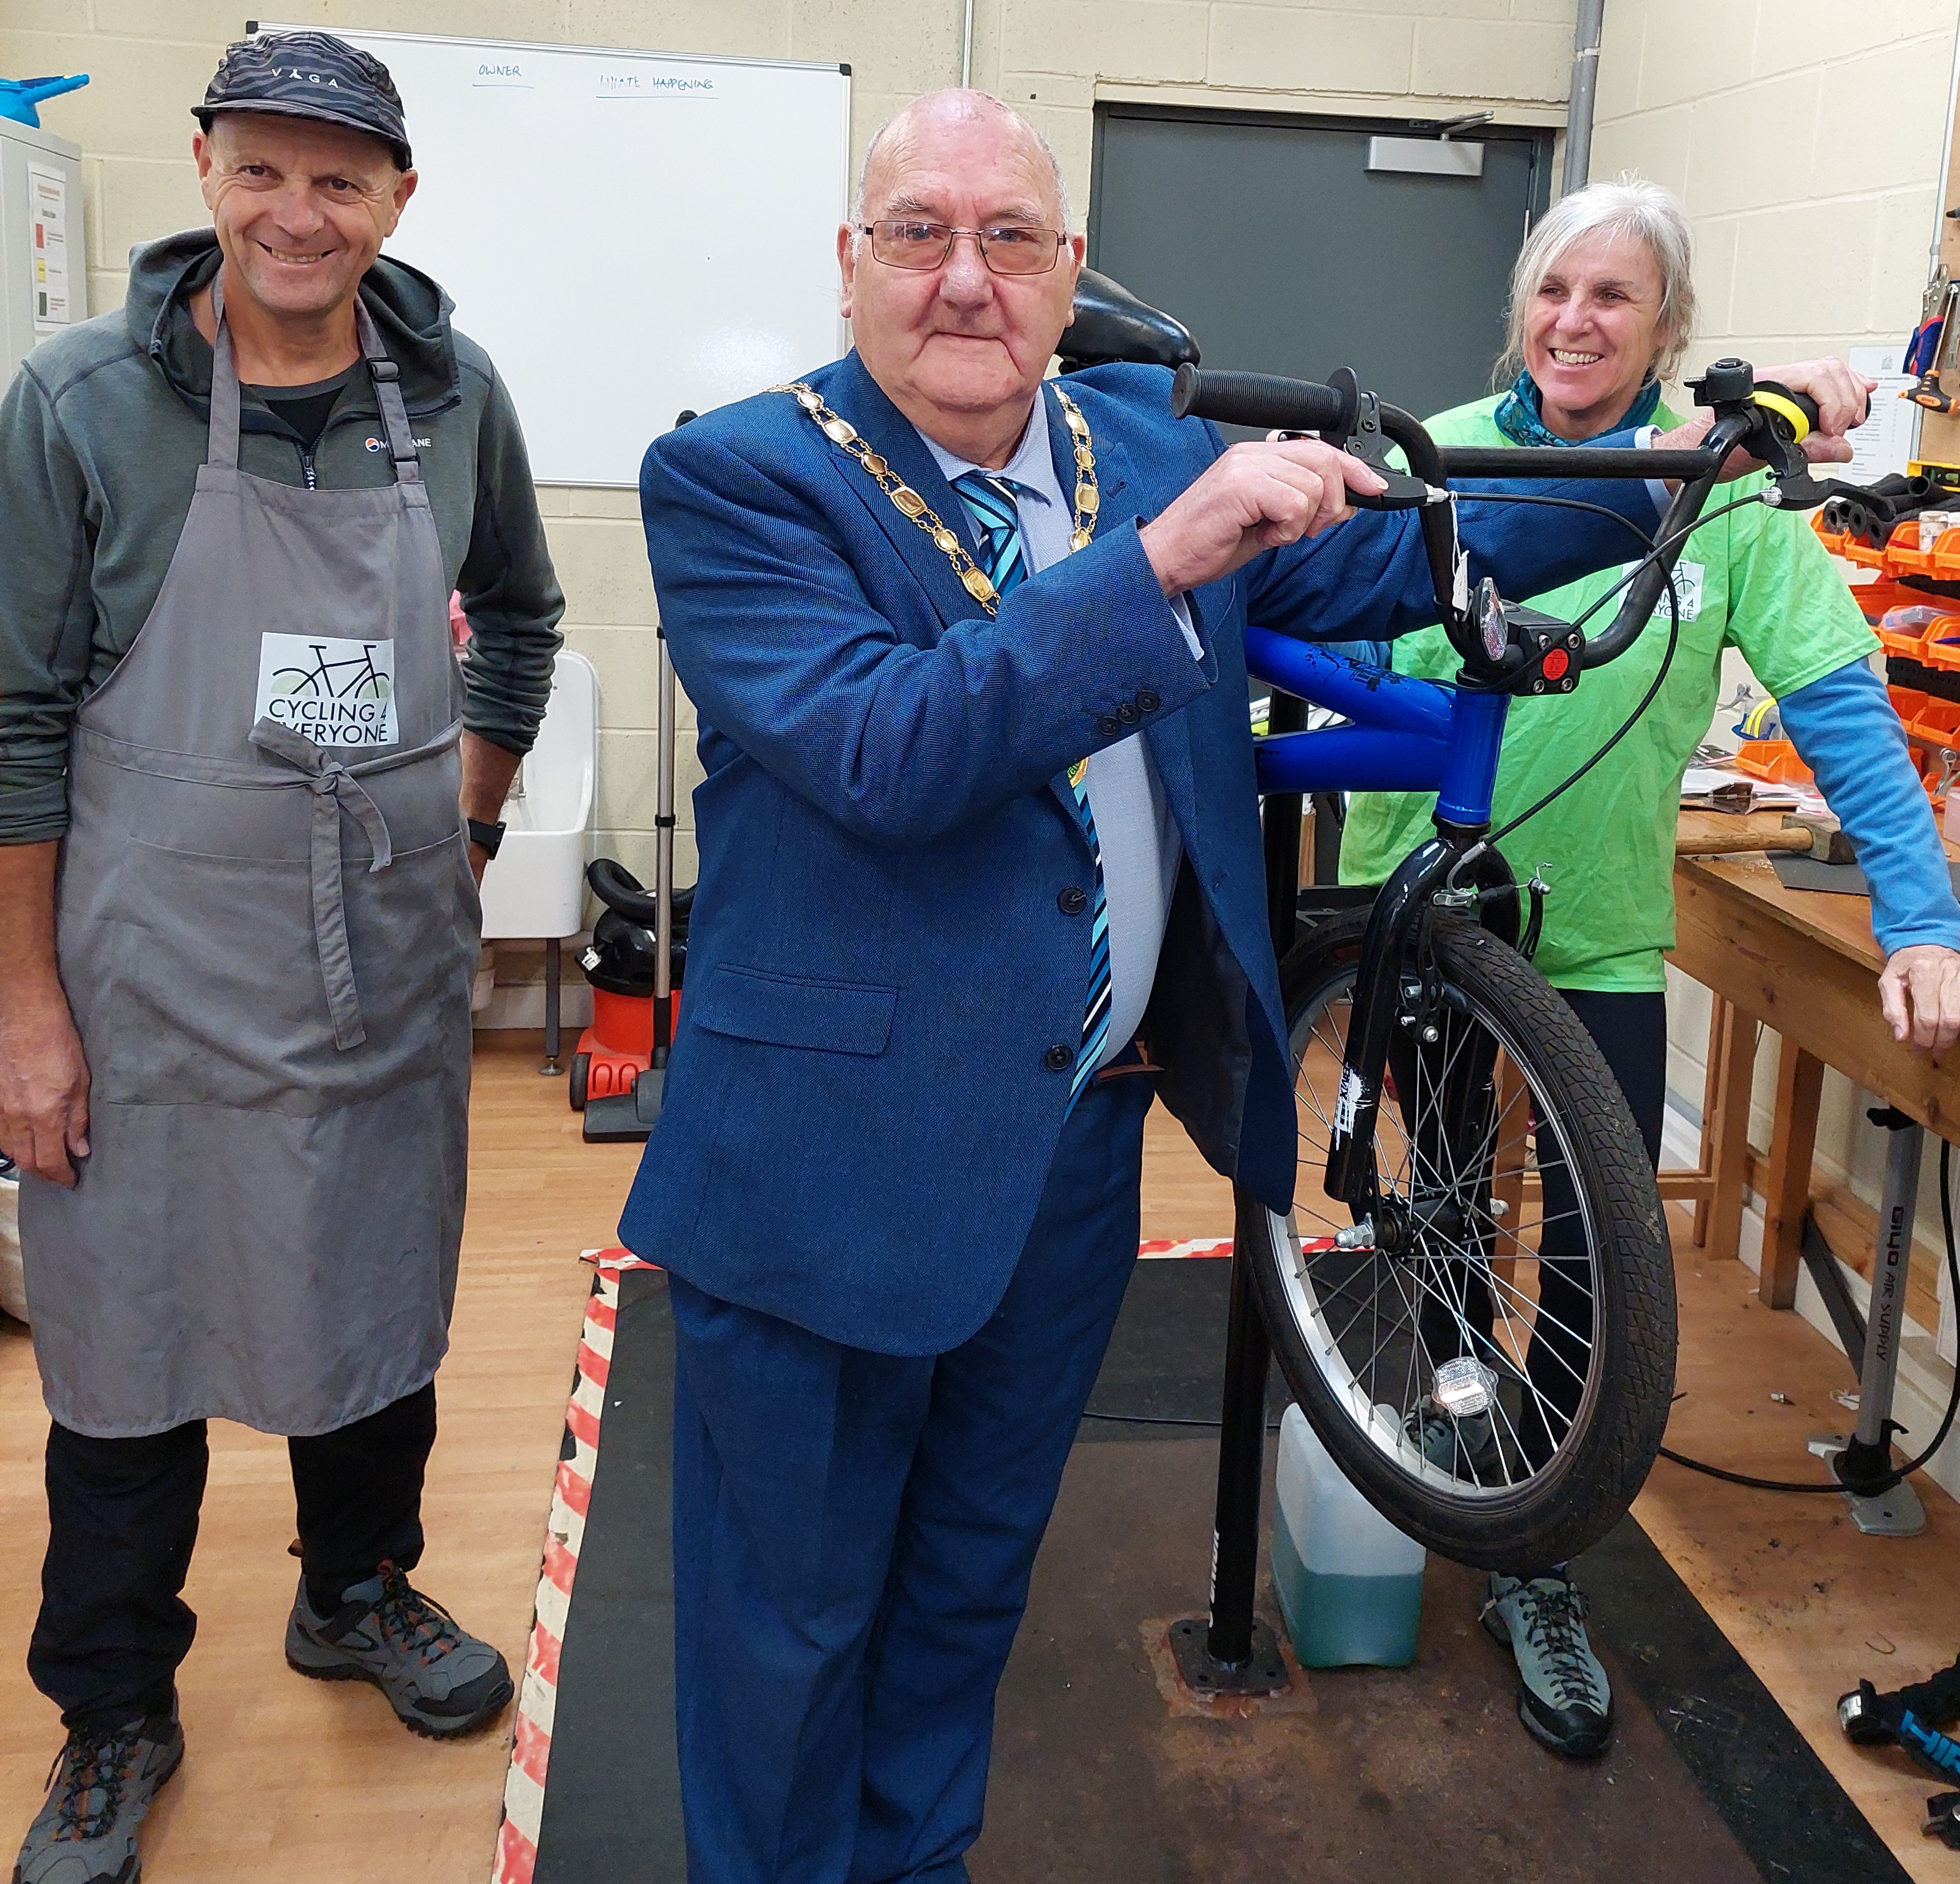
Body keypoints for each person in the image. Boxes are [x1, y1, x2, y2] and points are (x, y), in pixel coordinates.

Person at [623, 93, 1864, 1882]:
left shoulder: (1131, 435)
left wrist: (1685, 462)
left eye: (1012, 239)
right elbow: (892, 747)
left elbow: (1402, 552)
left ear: (1069, 271)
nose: (967, 278)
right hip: (826, 1170)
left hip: (1068, 1147)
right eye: (919, 232)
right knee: (786, 1649)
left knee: (963, 1601)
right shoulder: (741, 478)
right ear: (849, 261)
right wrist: (1162, 561)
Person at [0, 31, 565, 1883]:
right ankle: (113, 1710)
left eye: (338, 179)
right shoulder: (83, 402)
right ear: (204, 171)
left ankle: (356, 1586)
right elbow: (14, 717)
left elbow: (523, 618)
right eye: (260, 169)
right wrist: (23, 1009)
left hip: (375, 963)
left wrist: (464, 833)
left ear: (398, 198)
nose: (296, 214)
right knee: (127, 1350)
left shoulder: (455, 393)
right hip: (145, 973)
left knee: (369, 1301)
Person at [1340, 174, 1960, 1763]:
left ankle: (1537, 1554)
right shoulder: (1437, 462)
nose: (1576, 321)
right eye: (1554, 290)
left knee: (1593, 1255)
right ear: (1520, 312)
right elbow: (1340, 656)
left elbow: (1841, 705)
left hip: (1600, 921)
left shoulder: (1722, 493)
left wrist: (1922, 916)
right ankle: (1462, 1447)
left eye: (1613, 295)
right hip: (1431, 906)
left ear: (1668, 325)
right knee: (1444, 1206)